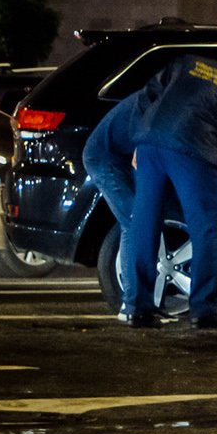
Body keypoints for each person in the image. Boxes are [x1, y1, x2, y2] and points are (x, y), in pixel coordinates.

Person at [128, 53, 217, 330]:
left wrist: (141, 136)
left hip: (151, 143)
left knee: (145, 224)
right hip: (194, 150)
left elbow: (148, 94)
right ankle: (202, 309)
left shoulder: (188, 63)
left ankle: (139, 308)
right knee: (206, 227)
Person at [83, 85, 163, 322]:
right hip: (104, 159)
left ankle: (140, 303)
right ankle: (131, 305)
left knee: (138, 221)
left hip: (118, 158)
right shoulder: (155, 105)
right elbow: (141, 158)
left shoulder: (157, 97)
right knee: (134, 223)